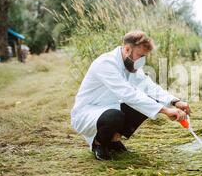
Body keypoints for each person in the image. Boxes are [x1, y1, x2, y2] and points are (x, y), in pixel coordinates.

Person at [70, 30, 190, 160]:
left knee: (147, 101)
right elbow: (128, 94)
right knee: (114, 115)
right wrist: (166, 111)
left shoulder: (130, 64)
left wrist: (175, 102)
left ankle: (113, 140)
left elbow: (148, 86)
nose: (141, 61)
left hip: (111, 107)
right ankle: (100, 144)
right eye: (140, 55)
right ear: (127, 49)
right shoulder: (106, 63)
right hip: (88, 112)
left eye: (144, 57)